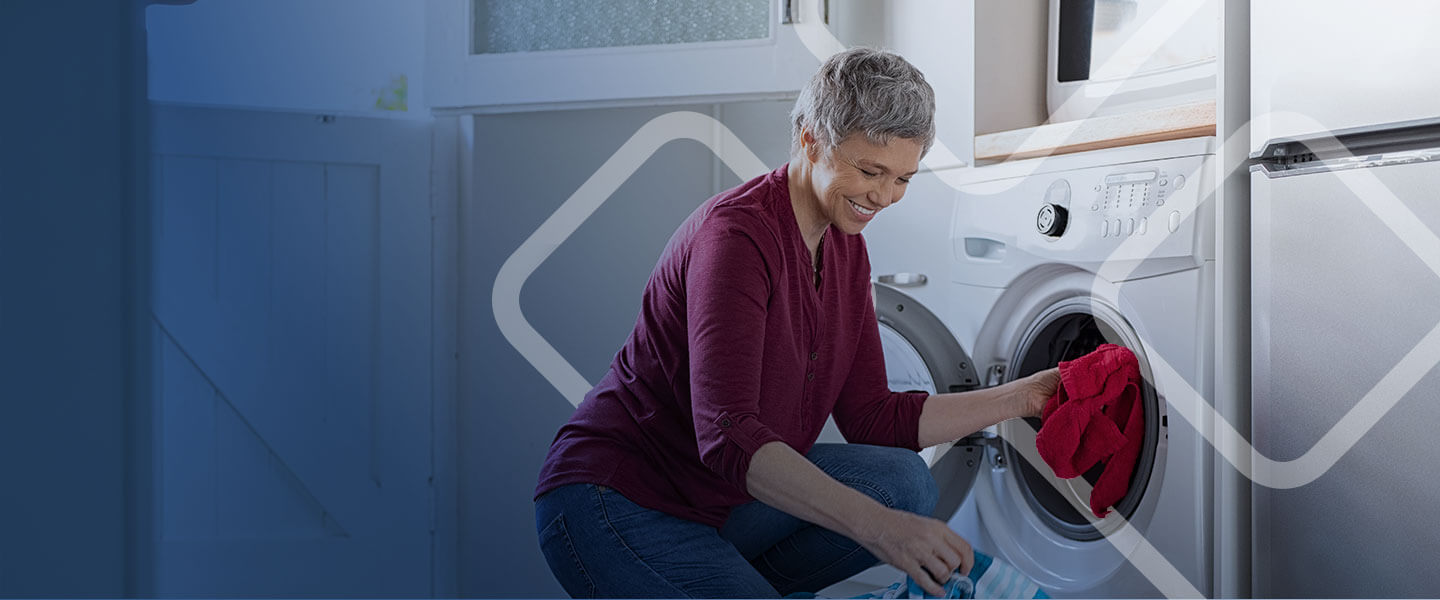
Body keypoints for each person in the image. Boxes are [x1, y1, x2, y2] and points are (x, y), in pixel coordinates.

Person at [533, 48, 1061, 599]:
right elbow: (729, 438)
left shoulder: (845, 249)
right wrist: (883, 531)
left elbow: (873, 417)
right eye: (869, 171)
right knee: (884, 507)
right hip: (617, 500)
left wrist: (1024, 397)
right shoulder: (736, 239)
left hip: (718, 500)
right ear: (811, 139)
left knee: (902, 483)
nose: (883, 197)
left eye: (903, 178)